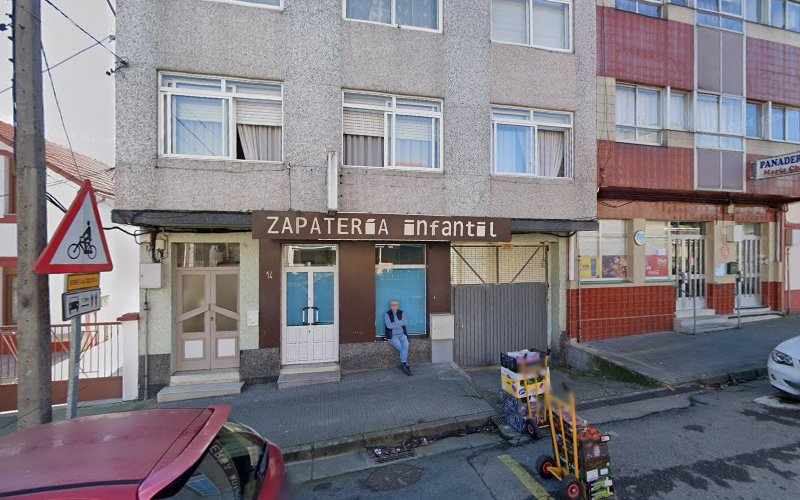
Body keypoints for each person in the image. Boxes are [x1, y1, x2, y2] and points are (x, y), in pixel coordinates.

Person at [384, 300, 412, 376]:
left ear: (398, 306)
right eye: (392, 305)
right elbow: (388, 326)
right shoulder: (387, 314)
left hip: (402, 334)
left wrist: (395, 324)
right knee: (402, 348)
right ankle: (405, 364)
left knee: (406, 345)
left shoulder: (401, 312)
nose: (394, 306)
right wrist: (400, 323)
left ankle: (404, 364)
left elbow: (405, 322)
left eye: (395, 305)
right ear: (390, 306)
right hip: (392, 336)